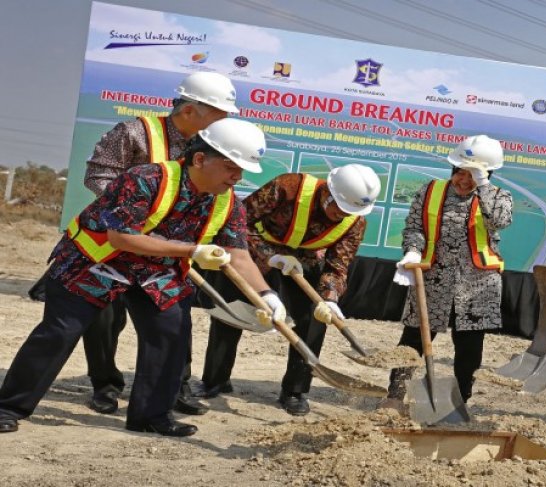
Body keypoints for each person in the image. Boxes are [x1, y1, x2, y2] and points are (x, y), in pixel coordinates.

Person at [0, 118, 286, 436]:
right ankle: (9, 406)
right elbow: (120, 238)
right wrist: (192, 251)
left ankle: (151, 416)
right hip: (94, 261)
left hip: (155, 270)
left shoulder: (228, 201)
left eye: (242, 170)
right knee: (60, 332)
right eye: (232, 166)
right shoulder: (145, 179)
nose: (238, 176)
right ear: (201, 159)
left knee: (172, 331)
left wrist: (266, 295)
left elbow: (238, 254)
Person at [81, 71, 238, 416]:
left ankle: (175, 388)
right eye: (218, 114)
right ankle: (105, 385)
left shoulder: (210, 147)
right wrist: (134, 217)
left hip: (166, 254)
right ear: (190, 110)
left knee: (174, 319)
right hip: (114, 243)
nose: (222, 123)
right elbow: (98, 174)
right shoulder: (135, 133)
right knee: (104, 318)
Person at [199, 163, 381, 416]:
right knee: (233, 312)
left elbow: (338, 265)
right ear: (327, 192)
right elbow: (238, 223)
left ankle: (295, 390)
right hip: (255, 250)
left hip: (305, 261)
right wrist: (271, 256)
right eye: (339, 208)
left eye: (349, 211)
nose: (342, 215)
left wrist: (330, 298)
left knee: (313, 319)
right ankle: (214, 380)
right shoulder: (288, 187)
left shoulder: (355, 223)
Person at [382, 135, 513, 410]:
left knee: (468, 348)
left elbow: (500, 221)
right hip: (432, 279)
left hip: (478, 284)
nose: (464, 181)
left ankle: (458, 402)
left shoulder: (498, 197)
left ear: (488, 174)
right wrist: (413, 251)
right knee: (413, 339)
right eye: (460, 173)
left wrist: (484, 185)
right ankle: (395, 395)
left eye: (472, 175)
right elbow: (414, 226)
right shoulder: (430, 191)